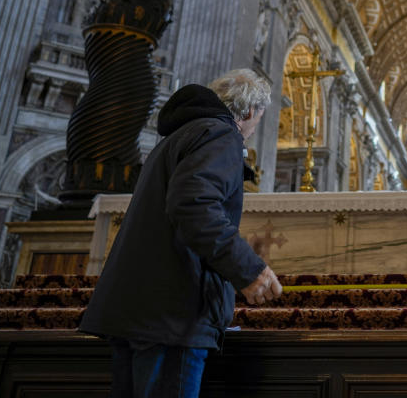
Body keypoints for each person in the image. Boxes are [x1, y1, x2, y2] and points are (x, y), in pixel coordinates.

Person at [80, 68, 283, 397]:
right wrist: (249, 270)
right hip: (172, 314)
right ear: (249, 111)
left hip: (137, 308)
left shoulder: (177, 137)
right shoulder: (220, 135)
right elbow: (195, 206)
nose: (256, 126)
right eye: (260, 117)